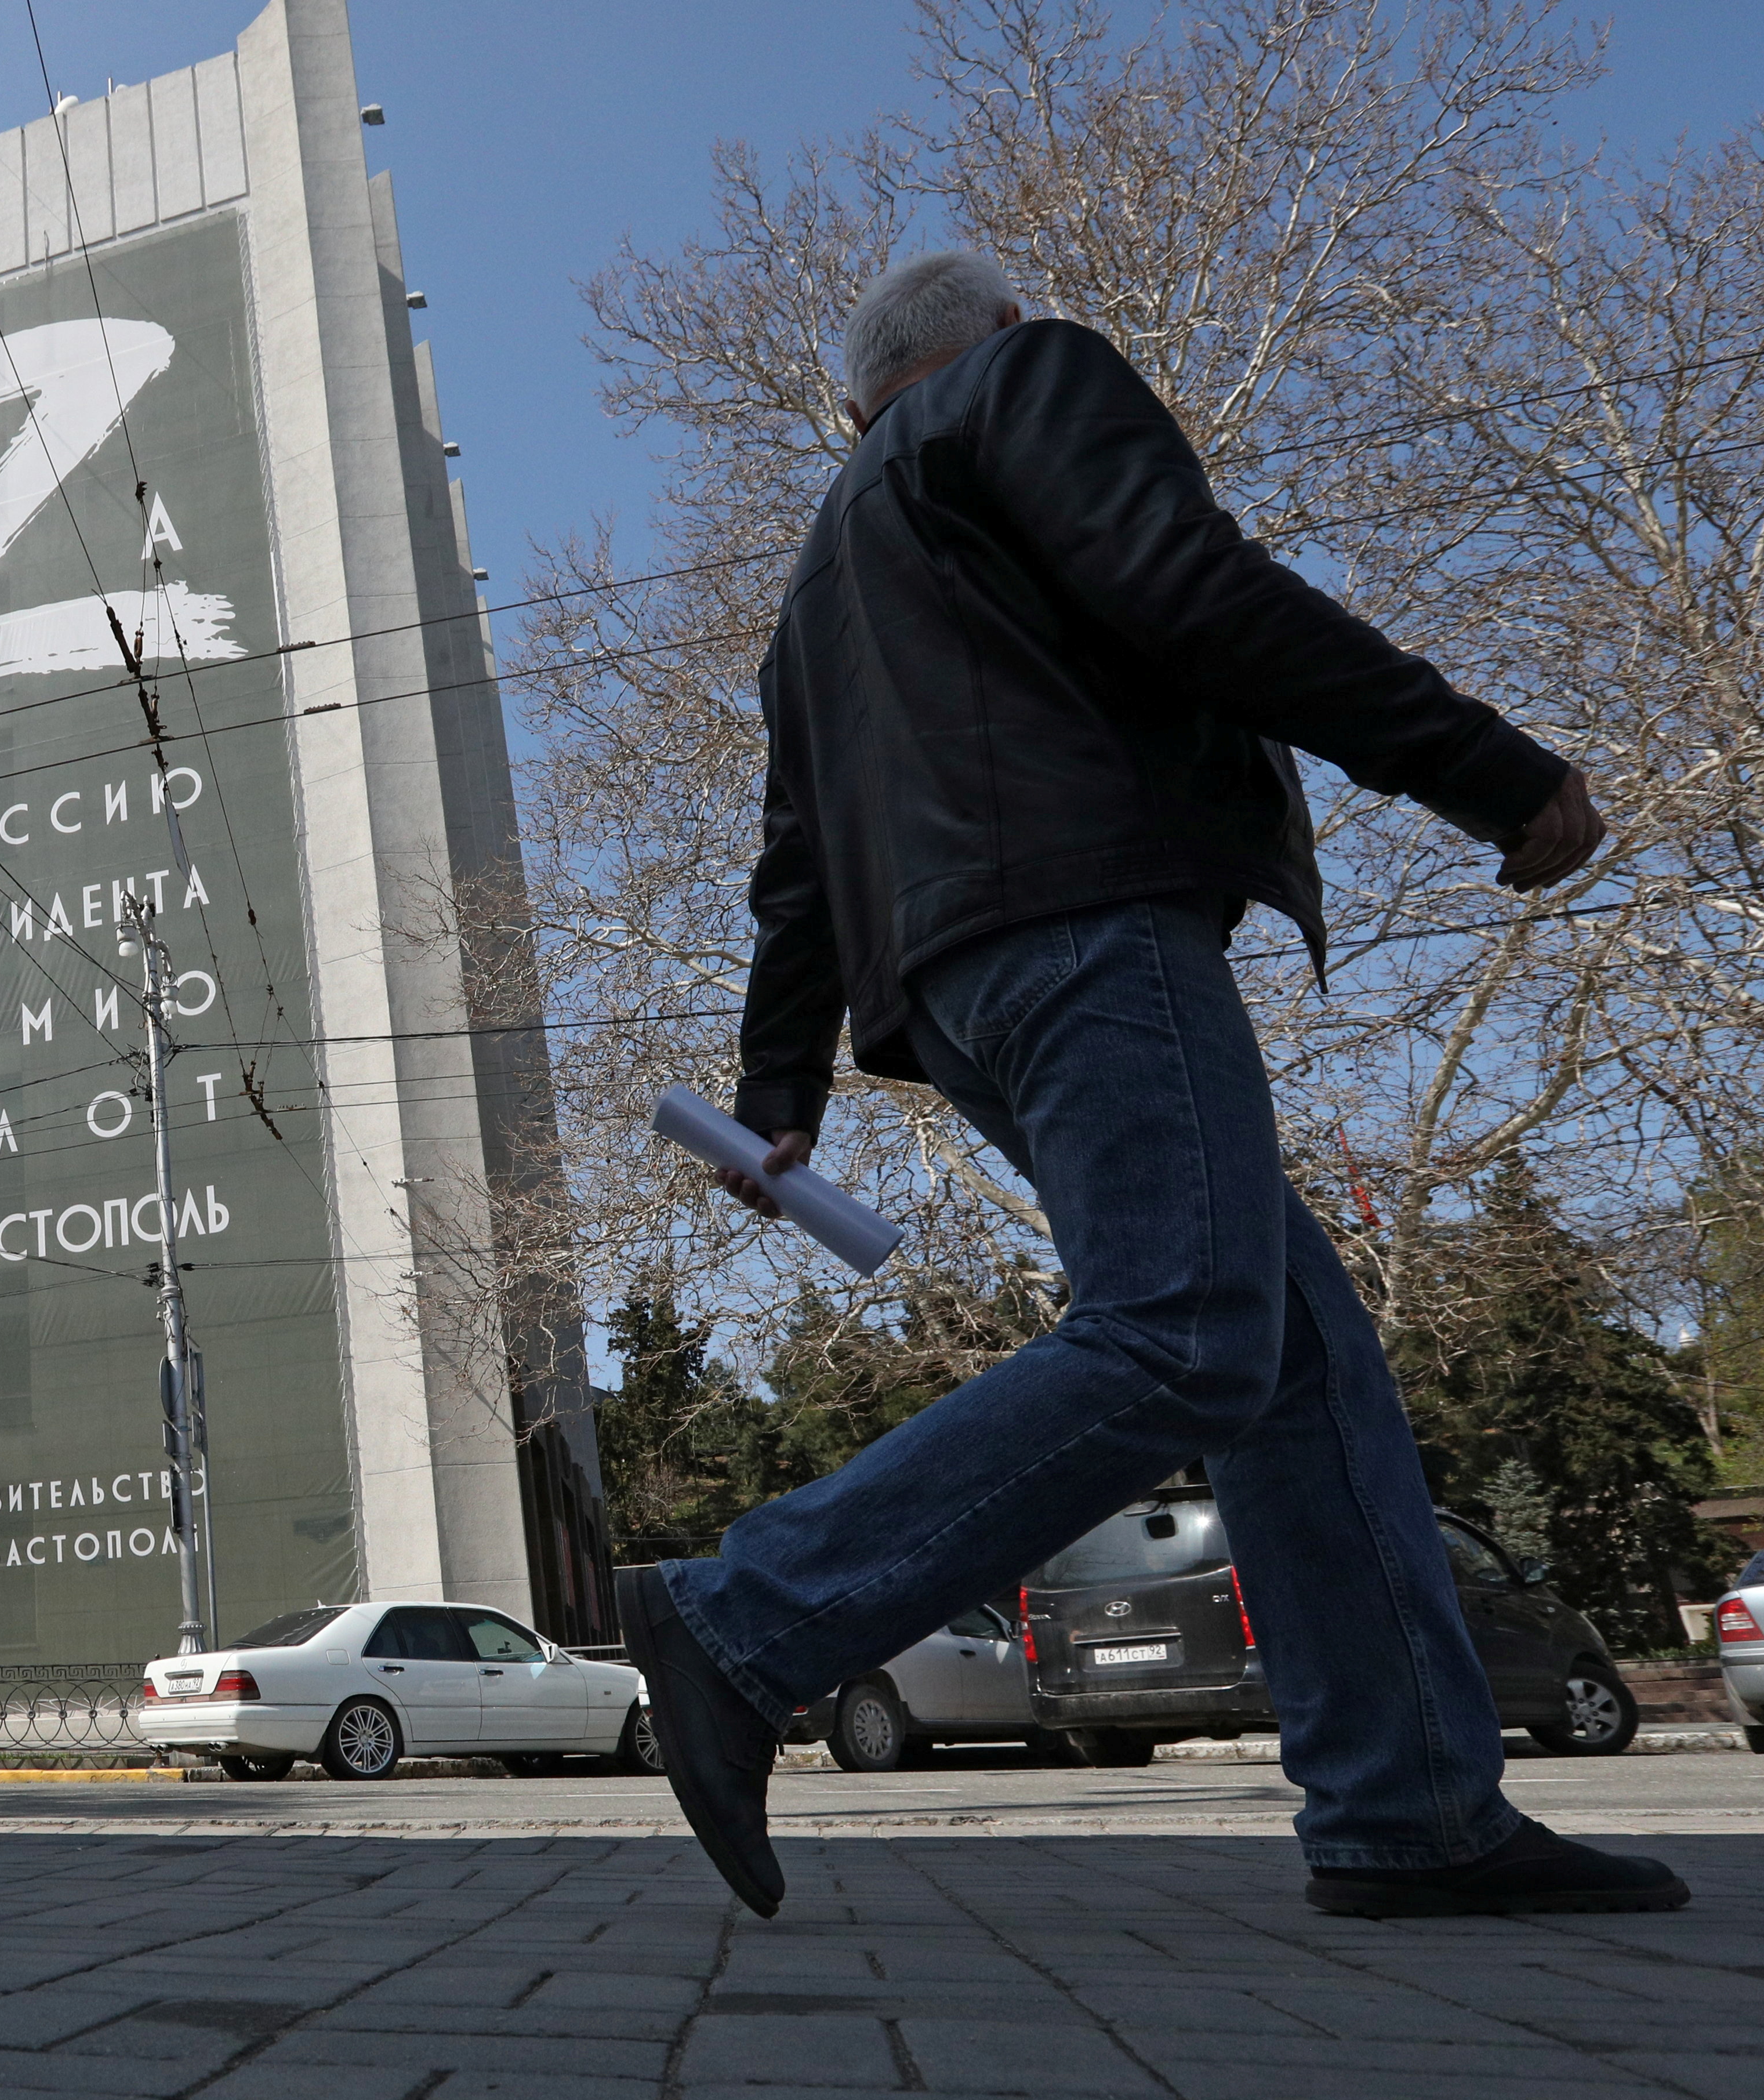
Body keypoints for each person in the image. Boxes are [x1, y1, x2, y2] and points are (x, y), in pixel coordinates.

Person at [614, 252, 1685, 1923]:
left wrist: (776, 1082)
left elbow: (795, 868)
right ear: (990, 337)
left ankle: (1409, 1806)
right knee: (1186, 1325)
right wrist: (1479, 766)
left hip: (953, 988)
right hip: (1080, 913)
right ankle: (751, 1614)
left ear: (851, 403)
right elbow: (1189, 586)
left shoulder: (819, 580)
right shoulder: (1021, 386)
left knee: (1290, 1360)